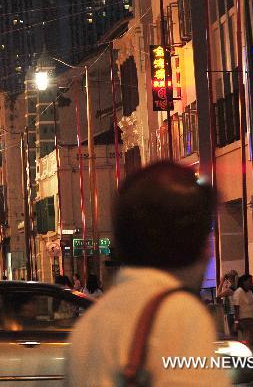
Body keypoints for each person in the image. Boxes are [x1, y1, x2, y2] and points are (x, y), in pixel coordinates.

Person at [65, 162, 230, 386]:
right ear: (182, 241)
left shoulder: (90, 322)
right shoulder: (177, 313)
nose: (209, 251)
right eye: (203, 237)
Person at [232, 274, 253, 346]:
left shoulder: (250, 292)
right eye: (250, 281)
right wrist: (236, 322)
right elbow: (236, 308)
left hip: (251, 318)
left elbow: (252, 302)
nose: (252, 283)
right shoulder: (239, 292)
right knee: (248, 339)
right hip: (243, 319)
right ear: (244, 282)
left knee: (252, 338)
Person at [216, 271, 238, 335]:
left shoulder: (229, 290)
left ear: (229, 279)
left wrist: (221, 282)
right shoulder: (235, 288)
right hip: (234, 313)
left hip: (231, 314)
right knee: (235, 333)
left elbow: (218, 294)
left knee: (232, 334)